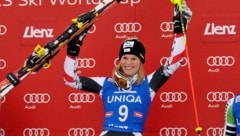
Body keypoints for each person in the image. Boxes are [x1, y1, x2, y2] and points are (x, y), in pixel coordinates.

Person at [63, 0, 192, 136]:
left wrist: (179, 31)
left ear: (141, 62)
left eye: (134, 58)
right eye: (125, 58)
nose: (128, 62)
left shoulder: (148, 84)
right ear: (119, 61)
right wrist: (73, 51)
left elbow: (174, 62)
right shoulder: (106, 84)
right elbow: (70, 80)